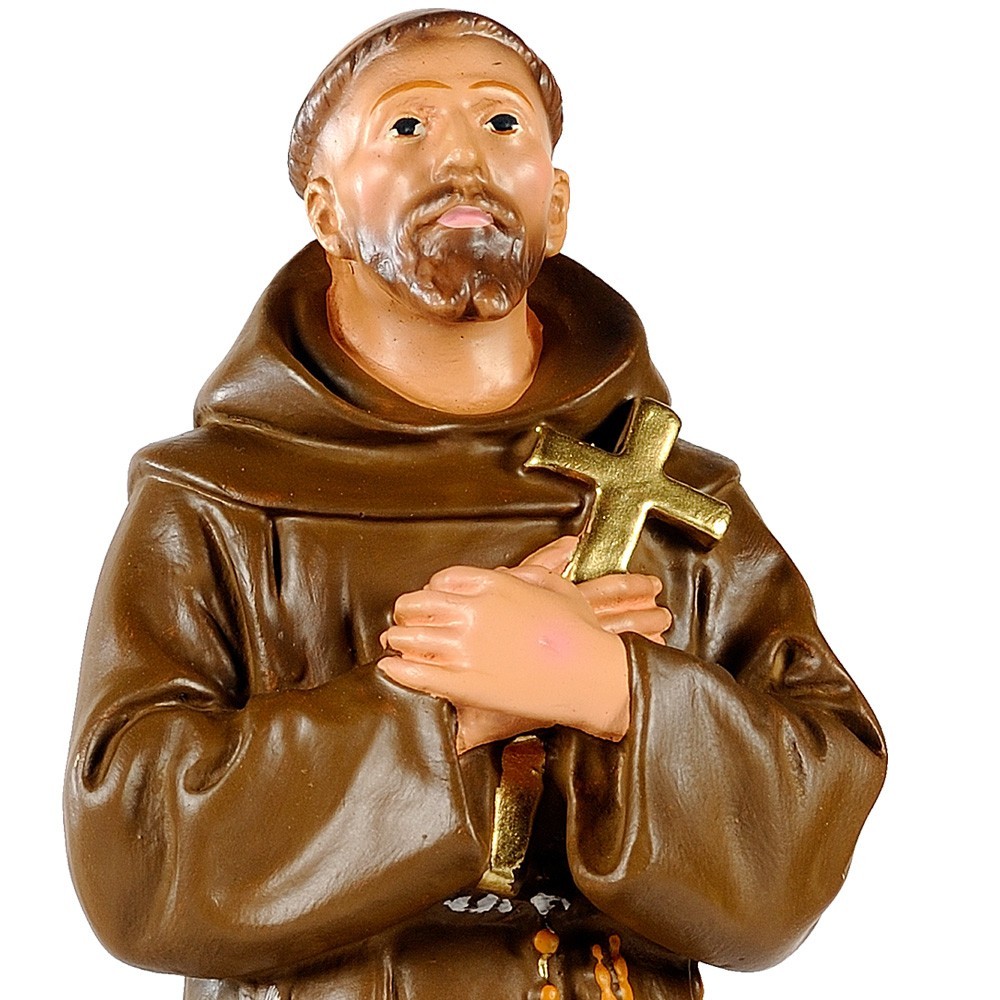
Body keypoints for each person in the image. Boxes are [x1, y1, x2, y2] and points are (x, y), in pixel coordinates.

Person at [65, 11, 886, 1000]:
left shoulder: (679, 500)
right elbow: (133, 853)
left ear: (556, 203)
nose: (462, 159)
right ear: (326, 211)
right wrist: (453, 705)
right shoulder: (218, 502)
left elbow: (810, 811)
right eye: (407, 126)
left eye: (502, 124)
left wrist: (609, 686)